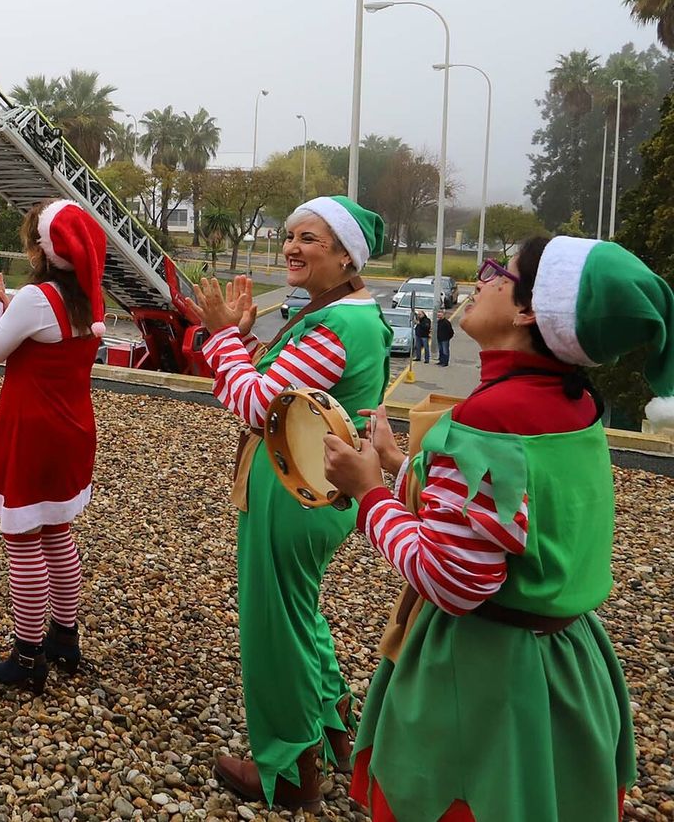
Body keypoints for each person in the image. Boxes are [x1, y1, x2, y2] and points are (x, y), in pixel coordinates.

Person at [325, 236, 671, 821]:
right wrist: (398, 464)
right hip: (568, 662)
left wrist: (368, 495)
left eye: (497, 274)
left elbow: (455, 578)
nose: (480, 282)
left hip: (488, 676)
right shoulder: (576, 403)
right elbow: (508, 516)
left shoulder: (493, 415)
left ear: (529, 309)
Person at [182, 194, 393, 811]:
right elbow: (274, 389)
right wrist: (241, 346)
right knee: (300, 615)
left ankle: (288, 768)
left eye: (310, 239)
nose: (292, 248)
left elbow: (257, 405)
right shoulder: (349, 315)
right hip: (318, 487)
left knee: (273, 629)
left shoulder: (333, 327)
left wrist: (222, 337)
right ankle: (329, 729)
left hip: (293, 489)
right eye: (290, 234)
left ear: (347, 257)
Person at [0, 199, 107, 692]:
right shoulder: (89, 299)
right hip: (73, 429)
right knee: (57, 532)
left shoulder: (34, 298)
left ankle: (27, 659)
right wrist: (5, 302)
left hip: (32, 429)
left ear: (41, 249)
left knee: (23, 540)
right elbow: (45, 328)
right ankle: (63, 639)